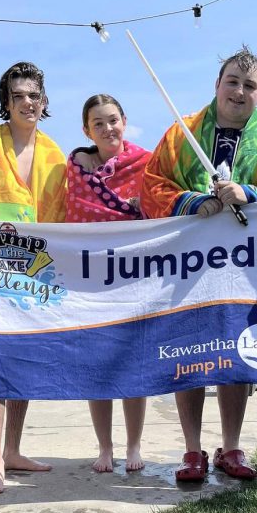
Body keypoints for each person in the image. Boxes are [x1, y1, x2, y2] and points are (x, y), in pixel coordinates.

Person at [140, 46, 257, 482]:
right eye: (232, 81)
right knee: (188, 353)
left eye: (249, 85)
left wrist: (253, 194)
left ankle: (231, 445)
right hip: (188, 267)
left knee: (237, 351)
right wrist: (190, 201)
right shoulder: (181, 133)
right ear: (217, 85)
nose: (239, 91)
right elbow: (150, 186)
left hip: (246, 268)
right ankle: (192, 449)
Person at [0, 61, 66, 494]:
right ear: (7, 102)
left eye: (34, 95)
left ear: (44, 102)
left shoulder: (56, 154)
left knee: (23, 363)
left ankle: (14, 450)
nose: (27, 102)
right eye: (18, 95)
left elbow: (59, 222)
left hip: (34, 273)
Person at [66, 94, 151, 471]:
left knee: (133, 364)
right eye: (98, 123)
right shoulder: (74, 170)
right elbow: (70, 216)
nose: (108, 128)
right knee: (97, 366)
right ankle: (105, 447)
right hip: (92, 281)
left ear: (125, 121)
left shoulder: (147, 164)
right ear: (87, 130)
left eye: (113, 120)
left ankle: (133, 446)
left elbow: (160, 207)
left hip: (135, 276)